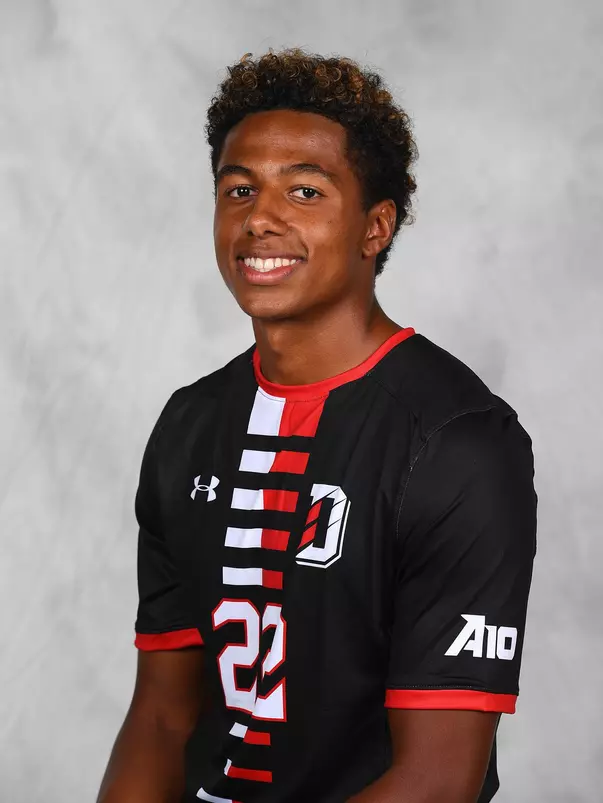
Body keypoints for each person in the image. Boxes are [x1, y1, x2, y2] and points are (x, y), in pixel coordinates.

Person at [97, 48, 537, 803]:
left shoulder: (459, 443)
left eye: (304, 191)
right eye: (238, 189)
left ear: (375, 227)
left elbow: (437, 781)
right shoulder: (188, 426)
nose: (259, 218)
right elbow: (162, 718)